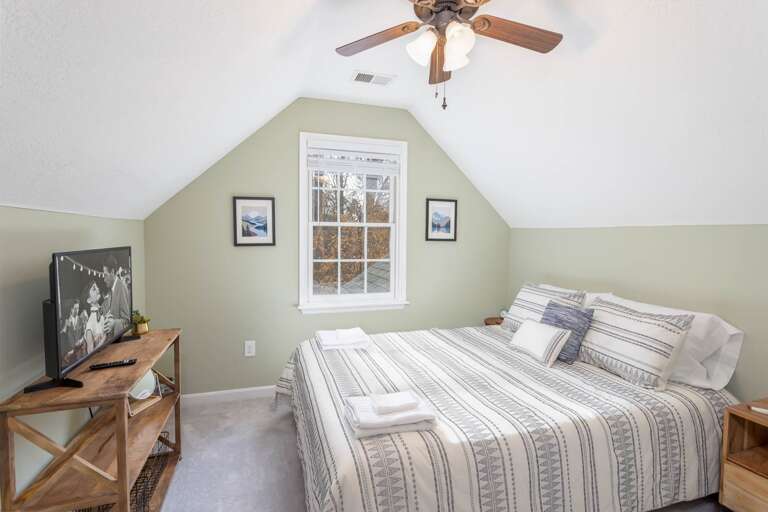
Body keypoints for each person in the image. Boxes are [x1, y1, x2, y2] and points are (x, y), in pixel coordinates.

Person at [101, 254, 131, 339]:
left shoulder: (121, 287)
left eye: (105, 275)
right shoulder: (111, 289)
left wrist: (114, 323)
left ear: (113, 272)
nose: (104, 279)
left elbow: (127, 321)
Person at [81, 280, 106, 352]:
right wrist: (105, 336)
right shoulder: (90, 324)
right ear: (89, 300)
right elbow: (91, 353)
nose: (98, 289)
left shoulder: (103, 311)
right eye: (94, 289)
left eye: (97, 287)